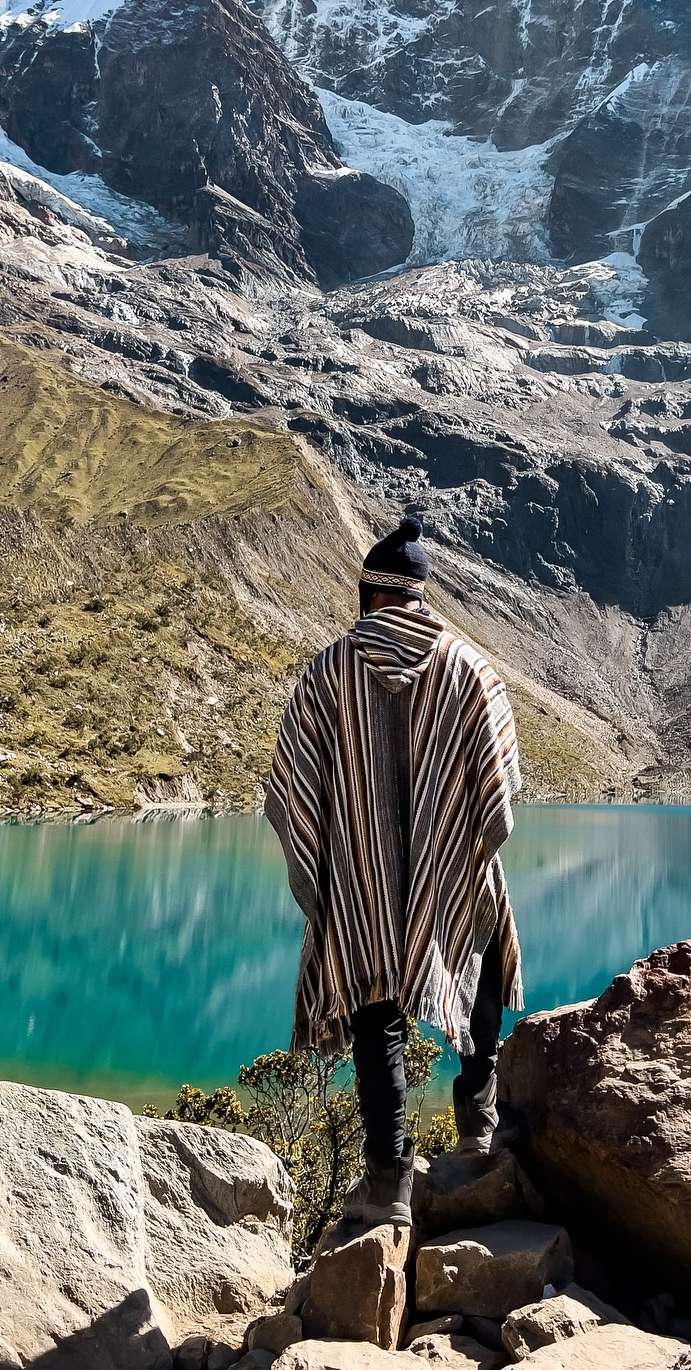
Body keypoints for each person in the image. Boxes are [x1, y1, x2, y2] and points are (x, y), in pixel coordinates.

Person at [265, 513, 523, 1227]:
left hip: (360, 874)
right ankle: (478, 1121)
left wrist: (345, 862)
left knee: (374, 1004)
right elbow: (501, 792)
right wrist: (456, 845)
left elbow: (292, 790)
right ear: (420, 594)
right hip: (451, 863)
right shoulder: (472, 668)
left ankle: (390, 1184)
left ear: (369, 596)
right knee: (480, 949)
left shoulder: (327, 671)